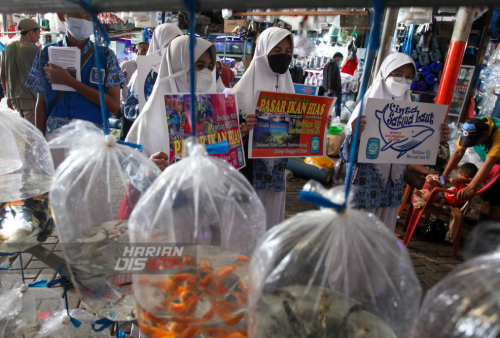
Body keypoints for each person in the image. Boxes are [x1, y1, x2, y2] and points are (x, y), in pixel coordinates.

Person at [231, 27, 332, 229]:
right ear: (263, 51)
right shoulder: (237, 94)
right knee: (248, 225)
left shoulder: (288, 88)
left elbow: (294, 136)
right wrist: (243, 131)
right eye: (276, 51)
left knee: (272, 222)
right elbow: (225, 142)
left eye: (288, 52)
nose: (283, 56)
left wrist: (319, 125)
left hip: (276, 174)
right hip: (249, 175)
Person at [341, 53, 450, 231]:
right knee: (356, 238)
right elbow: (345, 154)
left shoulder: (413, 112)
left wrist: (437, 140)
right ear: (384, 73)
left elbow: (414, 153)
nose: (403, 81)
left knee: (381, 241)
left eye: (408, 77)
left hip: (391, 191)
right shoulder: (366, 108)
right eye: (397, 74)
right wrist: (355, 133)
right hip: (364, 187)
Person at [25, 13, 126, 138]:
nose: (83, 20)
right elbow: (41, 104)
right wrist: (39, 143)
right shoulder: (46, 54)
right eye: (77, 14)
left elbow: (114, 105)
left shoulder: (105, 56)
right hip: (56, 135)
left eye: (89, 17)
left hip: (93, 137)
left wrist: (70, 82)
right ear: (62, 16)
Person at [126, 35, 216, 168]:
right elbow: (131, 169)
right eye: (199, 65)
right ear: (177, 66)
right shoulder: (151, 118)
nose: (206, 73)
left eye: (209, 67)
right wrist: (148, 168)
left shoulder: (208, 108)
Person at [436, 117, 500, 221]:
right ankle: (482, 230)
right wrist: (443, 176)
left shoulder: (498, 132)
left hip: (494, 164)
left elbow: (489, 163)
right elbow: (458, 152)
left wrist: (471, 187)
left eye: (473, 142)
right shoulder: (470, 127)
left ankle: (493, 233)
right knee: (485, 199)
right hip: (494, 166)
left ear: (484, 134)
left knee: (496, 203)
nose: (471, 145)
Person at [123, 24, 182, 123]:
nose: (175, 50)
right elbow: (129, 111)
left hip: (175, 133)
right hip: (150, 132)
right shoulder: (141, 75)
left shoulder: (183, 72)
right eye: (170, 45)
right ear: (159, 44)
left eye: (179, 45)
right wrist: (154, 104)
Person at [0, 18, 41, 125]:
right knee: (33, 133)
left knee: (25, 129)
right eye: (38, 32)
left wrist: (8, 96)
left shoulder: (7, 48)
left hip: (15, 97)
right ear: (31, 32)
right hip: (30, 98)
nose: (39, 36)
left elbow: (3, 75)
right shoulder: (34, 50)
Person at [119, 41, 149, 140]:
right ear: (136, 51)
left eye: (148, 50)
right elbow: (118, 85)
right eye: (144, 49)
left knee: (140, 135)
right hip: (127, 105)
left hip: (143, 106)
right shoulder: (126, 65)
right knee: (126, 134)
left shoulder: (151, 66)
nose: (146, 52)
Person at [413, 163, 478, 208]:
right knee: (430, 181)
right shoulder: (466, 185)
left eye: (459, 176)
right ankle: (432, 194)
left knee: (428, 196)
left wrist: (470, 180)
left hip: (446, 200)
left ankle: (419, 194)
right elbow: (451, 184)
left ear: (464, 176)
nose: (458, 177)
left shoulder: (467, 186)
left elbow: (452, 180)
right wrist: (441, 179)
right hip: (446, 194)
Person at [323, 52, 343, 117]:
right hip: (334, 88)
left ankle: (328, 117)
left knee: (329, 104)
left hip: (327, 88)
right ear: (337, 57)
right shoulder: (333, 64)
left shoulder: (327, 64)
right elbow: (331, 75)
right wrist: (330, 87)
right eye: (340, 59)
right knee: (337, 103)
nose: (340, 61)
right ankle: (338, 118)